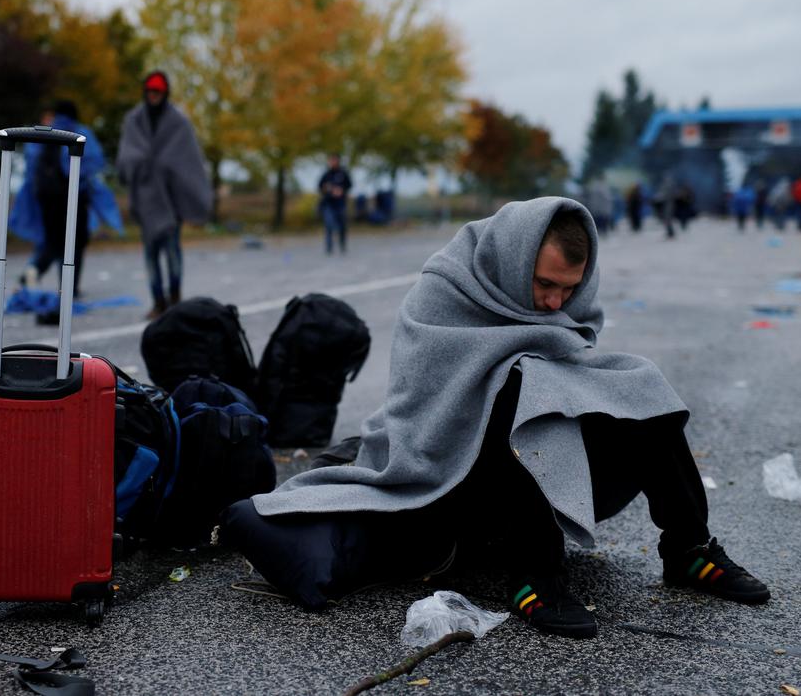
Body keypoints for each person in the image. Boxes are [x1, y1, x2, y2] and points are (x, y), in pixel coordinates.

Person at [246, 197, 769, 639]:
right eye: (544, 284)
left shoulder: (558, 305)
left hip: (535, 463)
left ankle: (688, 548)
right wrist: (530, 372)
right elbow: (427, 403)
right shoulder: (444, 289)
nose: (553, 302)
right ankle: (534, 575)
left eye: (568, 289)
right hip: (445, 470)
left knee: (638, 381)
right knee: (521, 385)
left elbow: (575, 361)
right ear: (515, 259)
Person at [117, 71, 212, 318]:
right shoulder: (134, 120)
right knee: (150, 255)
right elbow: (128, 154)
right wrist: (138, 164)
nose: (153, 95)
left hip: (172, 201)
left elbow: (188, 162)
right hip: (146, 198)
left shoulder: (178, 122)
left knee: (172, 253)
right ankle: (158, 301)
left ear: (165, 92)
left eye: (157, 91)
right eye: (150, 91)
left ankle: (175, 298)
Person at [10, 100, 123, 300]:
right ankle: (69, 287)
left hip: (46, 200)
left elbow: (31, 166)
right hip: (74, 197)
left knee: (52, 242)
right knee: (75, 243)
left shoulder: (45, 133)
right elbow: (94, 162)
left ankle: (33, 270)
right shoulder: (79, 131)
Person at [317, 153, 353, 254]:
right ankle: (329, 247)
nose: (332, 162)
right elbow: (320, 187)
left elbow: (350, 185)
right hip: (328, 204)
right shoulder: (326, 175)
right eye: (331, 160)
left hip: (341, 204)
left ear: (338, 161)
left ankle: (342, 244)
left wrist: (341, 190)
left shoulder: (343, 173)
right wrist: (328, 189)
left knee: (342, 225)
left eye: (334, 160)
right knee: (329, 224)